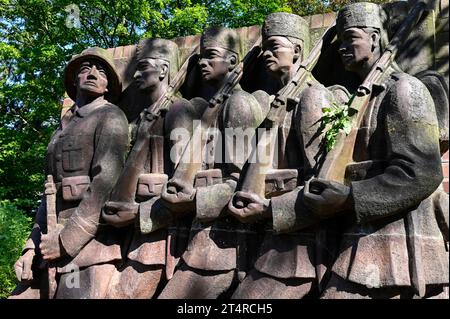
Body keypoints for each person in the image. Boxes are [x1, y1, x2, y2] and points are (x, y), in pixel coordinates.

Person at [228, 12, 347, 298]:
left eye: (275, 46)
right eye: (265, 47)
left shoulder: (314, 97)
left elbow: (322, 179)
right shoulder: (268, 102)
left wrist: (270, 209)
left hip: (299, 245)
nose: (267, 53)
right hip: (263, 234)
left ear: (296, 51)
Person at [157, 26, 267, 298]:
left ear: (232, 62)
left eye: (211, 56)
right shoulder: (205, 107)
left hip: (223, 242)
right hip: (198, 232)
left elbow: (240, 183)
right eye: (201, 57)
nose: (203, 63)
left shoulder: (238, 103)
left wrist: (194, 199)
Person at [11, 47, 129, 298]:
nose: (93, 74)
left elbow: (105, 182)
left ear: (108, 86)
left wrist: (66, 241)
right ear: (75, 80)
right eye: (85, 69)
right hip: (49, 243)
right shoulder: (60, 130)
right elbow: (48, 193)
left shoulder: (111, 116)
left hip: (90, 246)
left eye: (101, 71)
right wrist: (30, 247)